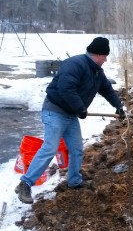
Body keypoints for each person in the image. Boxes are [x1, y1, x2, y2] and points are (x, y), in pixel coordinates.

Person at [15, 37, 126, 204]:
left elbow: (107, 90)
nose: (106, 60)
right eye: (105, 56)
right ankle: (26, 183)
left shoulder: (97, 72)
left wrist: (118, 107)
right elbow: (66, 88)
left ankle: (74, 181)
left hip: (70, 114)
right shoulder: (75, 64)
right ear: (98, 55)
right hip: (55, 111)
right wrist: (80, 108)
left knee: (76, 149)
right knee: (50, 148)